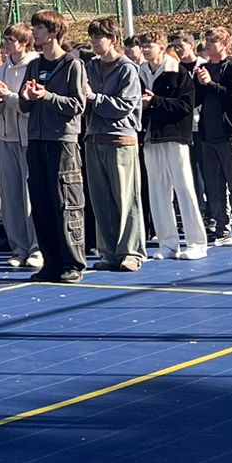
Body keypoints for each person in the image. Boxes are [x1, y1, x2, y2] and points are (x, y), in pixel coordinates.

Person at [20, 9, 89, 283]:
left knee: (65, 201)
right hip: (36, 140)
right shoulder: (34, 65)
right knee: (41, 202)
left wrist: (47, 96)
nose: (34, 33)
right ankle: (50, 262)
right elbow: (25, 104)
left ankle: (73, 262)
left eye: (39, 28)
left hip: (62, 141)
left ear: (53, 32)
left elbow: (77, 105)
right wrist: (26, 97)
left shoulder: (73, 65)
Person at [83, 18, 145, 272]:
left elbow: (125, 105)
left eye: (99, 37)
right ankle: (108, 251)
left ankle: (131, 252)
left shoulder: (127, 69)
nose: (94, 42)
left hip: (121, 139)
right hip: (93, 138)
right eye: (92, 37)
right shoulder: (90, 66)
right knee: (101, 200)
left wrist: (94, 98)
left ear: (113, 40)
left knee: (126, 198)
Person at [193, 28, 232, 248]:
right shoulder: (202, 68)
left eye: (213, 41)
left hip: (231, 134)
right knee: (214, 185)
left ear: (225, 44)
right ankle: (222, 228)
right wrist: (199, 84)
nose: (208, 45)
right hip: (208, 135)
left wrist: (210, 83)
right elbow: (196, 99)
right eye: (207, 41)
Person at [145, 33, 207, 260]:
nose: (145, 49)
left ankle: (197, 242)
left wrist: (155, 101)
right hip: (150, 138)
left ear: (161, 48)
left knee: (184, 188)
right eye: (143, 45)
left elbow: (186, 105)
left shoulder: (178, 72)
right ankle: (168, 243)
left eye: (149, 45)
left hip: (175, 136)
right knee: (158, 192)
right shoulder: (141, 72)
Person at [0, 24, 38, 269]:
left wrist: (8, 97)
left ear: (24, 42)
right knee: (11, 196)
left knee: (31, 196)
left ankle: (37, 247)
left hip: (28, 139)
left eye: (11, 39)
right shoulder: (2, 69)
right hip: (5, 139)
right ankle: (19, 247)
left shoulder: (34, 66)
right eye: (5, 39)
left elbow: (30, 107)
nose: (6, 43)